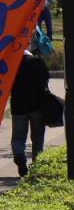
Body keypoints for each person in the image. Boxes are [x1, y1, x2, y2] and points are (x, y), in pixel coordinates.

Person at [9, 41, 50, 177]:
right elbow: (45, 80)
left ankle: (20, 156)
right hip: (37, 106)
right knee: (38, 137)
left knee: (18, 137)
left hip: (18, 107)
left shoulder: (10, 65)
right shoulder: (37, 62)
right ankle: (37, 165)